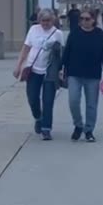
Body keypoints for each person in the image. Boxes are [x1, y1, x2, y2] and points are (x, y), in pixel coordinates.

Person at [61, 9, 103, 142]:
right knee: (73, 101)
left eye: (87, 19)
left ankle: (89, 130)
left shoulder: (100, 35)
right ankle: (78, 125)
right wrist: (61, 68)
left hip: (93, 75)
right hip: (74, 74)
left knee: (91, 104)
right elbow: (67, 52)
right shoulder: (74, 33)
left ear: (93, 20)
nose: (84, 21)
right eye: (81, 19)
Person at [14, 9, 66, 140]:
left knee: (48, 101)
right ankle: (38, 117)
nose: (45, 23)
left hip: (49, 71)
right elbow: (26, 48)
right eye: (43, 21)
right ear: (39, 20)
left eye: (48, 20)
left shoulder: (58, 33)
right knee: (32, 98)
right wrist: (19, 65)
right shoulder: (33, 30)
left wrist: (62, 71)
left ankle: (46, 129)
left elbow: (62, 55)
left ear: (53, 20)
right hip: (33, 69)